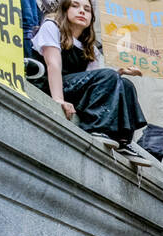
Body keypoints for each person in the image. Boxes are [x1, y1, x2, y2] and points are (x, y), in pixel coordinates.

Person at [26, 0, 150, 162]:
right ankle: (96, 127)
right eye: (75, 6)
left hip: (72, 89)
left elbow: (97, 81)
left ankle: (123, 140)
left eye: (87, 9)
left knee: (125, 84)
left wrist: (120, 71)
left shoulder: (88, 45)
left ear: (91, 18)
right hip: (48, 85)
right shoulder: (52, 26)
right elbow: (53, 65)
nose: (82, 12)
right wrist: (58, 100)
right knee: (110, 76)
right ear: (65, 9)